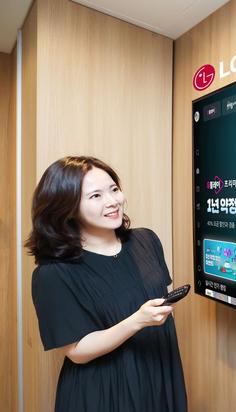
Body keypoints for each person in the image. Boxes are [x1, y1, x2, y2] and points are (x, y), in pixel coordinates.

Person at [27, 156, 187, 411]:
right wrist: (137, 321)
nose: (113, 201)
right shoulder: (53, 274)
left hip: (158, 372)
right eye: (96, 196)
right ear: (67, 208)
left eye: (114, 189)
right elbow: (77, 351)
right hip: (105, 388)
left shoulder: (146, 241)